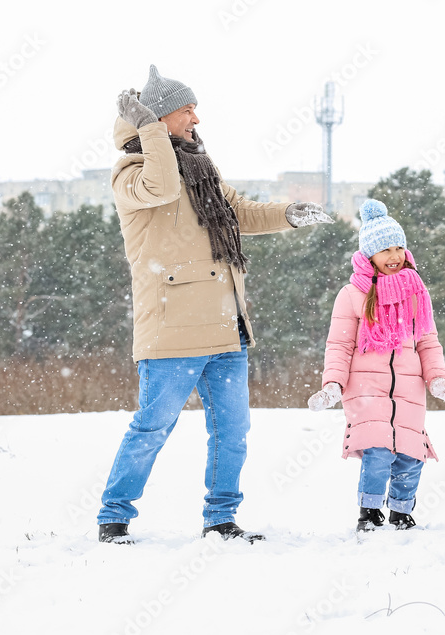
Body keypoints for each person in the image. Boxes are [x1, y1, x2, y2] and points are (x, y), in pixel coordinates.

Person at [97, 65, 333, 544]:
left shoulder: (201, 168)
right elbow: (161, 187)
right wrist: (149, 130)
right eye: (187, 110)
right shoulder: (132, 174)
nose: (197, 119)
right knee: (152, 428)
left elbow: (237, 211)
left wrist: (288, 215)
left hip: (227, 326)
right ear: (159, 119)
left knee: (233, 432)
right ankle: (113, 516)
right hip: (172, 330)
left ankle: (221, 518)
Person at [307, 199, 445, 533]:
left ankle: (402, 512)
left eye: (398, 247)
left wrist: (439, 380)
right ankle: (369, 511)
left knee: (411, 454)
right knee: (379, 451)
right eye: (385, 250)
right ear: (369, 256)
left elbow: (427, 342)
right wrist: (332, 384)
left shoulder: (416, 292)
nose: (394, 256)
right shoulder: (352, 295)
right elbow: (339, 344)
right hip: (365, 389)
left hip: (409, 390)